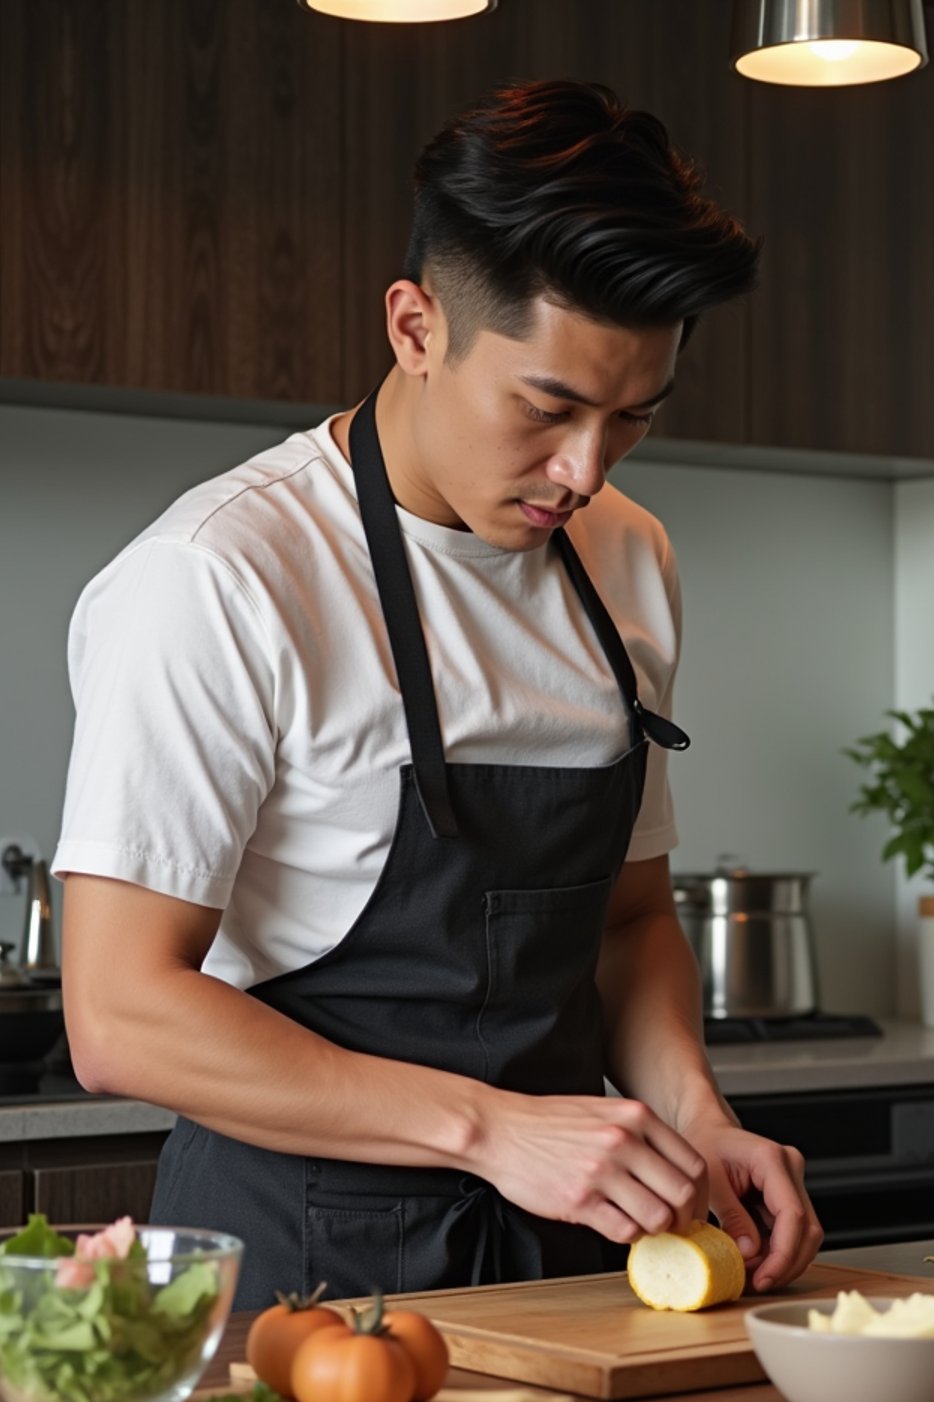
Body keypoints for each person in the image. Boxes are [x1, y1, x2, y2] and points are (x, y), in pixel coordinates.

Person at [55, 79, 823, 1310]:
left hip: (574, 1261)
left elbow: (626, 924)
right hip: (295, 1271)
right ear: (415, 328)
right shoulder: (218, 577)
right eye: (548, 407)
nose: (582, 470)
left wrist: (696, 1118)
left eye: (632, 419)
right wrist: (493, 1132)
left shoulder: (629, 557)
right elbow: (119, 1013)